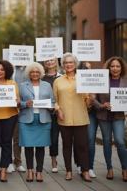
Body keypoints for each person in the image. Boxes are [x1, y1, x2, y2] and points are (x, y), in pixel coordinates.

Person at [53, 52, 92, 182]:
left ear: (75, 64)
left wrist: (90, 98)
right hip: (64, 118)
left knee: (82, 145)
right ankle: (68, 170)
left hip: (81, 117)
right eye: (65, 63)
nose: (68, 65)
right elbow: (55, 100)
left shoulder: (83, 79)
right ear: (62, 65)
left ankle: (85, 170)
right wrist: (58, 110)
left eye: (70, 62)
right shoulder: (58, 81)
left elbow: (88, 102)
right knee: (66, 145)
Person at [93, 56, 127, 181]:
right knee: (106, 142)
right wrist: (102, 105)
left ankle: (124, 169)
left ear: (121, 67)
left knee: (120, 141)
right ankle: (109, 169)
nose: (115, 68)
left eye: (117, 66)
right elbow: (93, 98)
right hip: (104, 116)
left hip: (118, 116)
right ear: (108, 67)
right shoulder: (102, 80)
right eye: (112, 66)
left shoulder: (125, 80)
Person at [19, 62, 54, 182]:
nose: (35, 74)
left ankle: (39, 171)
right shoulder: (23, 85)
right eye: (32, 72)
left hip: (43, 119)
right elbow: (18, 103)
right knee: (28, 147)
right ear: (29, 73)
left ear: (41, 73)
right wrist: (25, 104)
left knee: (40, 147)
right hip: (27, 119)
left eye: (37, 72)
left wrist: (51, 107)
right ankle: (30, 171)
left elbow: (53, 102)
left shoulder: (47, 85)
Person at [77, 61, 98, 178]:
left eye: (90, 68)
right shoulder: (78, 81)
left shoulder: (96, 79)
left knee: (90, 140)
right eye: (86, 68)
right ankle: (80, 164)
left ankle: (90, 167)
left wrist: (93, 98)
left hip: (93, 114)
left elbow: (96, 99)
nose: (88, 70)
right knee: (80, 141)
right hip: (81, 112)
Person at [42, 57, 61, 173]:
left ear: (56, 62)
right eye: (47, 60)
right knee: (42, 139)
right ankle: (39, 162)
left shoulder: (61, 76)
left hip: (58, 112)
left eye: (52, 60)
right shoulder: (41, 77)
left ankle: (54, 160)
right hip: (44, 111)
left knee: (54, 139)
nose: (49, 62)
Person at [7, 65, 27, 173]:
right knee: (7, 137)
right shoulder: (8, 69)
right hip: (8, 108)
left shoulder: (27, 69)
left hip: (21, 107)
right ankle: (8, 161)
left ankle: (18, 162)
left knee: (17, 138)